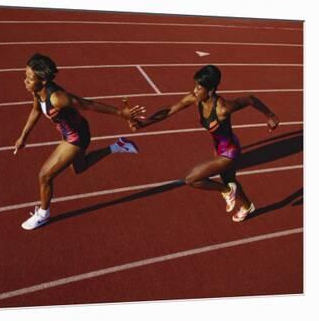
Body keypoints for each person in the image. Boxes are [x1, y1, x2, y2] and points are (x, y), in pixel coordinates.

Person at [130, 64, 279, 222]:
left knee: (191, 179)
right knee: (230, 179)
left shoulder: (222, 109)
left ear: (211, 89)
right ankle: (246, 206)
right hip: (219, 148)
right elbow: (170, 110)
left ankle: (226, 190)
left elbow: (249, 99)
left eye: (199, 88)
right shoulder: (195, 98)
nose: (195, 90)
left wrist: (270, 116)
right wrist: (144, 123)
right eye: (195, 85)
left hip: (229, 153)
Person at [15, 53, 145, 230]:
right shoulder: (38, 92)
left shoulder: (58, 98)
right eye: (26, 77)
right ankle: (117, 146)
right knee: (80, 168)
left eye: (29, 79)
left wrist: (121, 113)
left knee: (44, 176)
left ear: (43, 80)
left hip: (76, 137)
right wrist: (23, 137)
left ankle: (43, 214)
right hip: (70, 132)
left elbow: (88, 104)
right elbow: (36, 110)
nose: (25, 81)